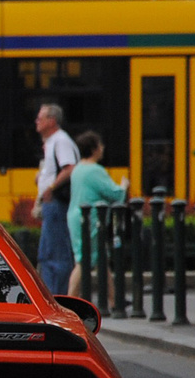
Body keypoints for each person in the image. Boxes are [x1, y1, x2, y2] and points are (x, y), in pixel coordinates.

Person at [65, 131, 128, 297]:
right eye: (100, 145)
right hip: (90, 220)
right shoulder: (94, 170)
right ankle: (70, 302)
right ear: (93, 149)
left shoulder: (78, 169)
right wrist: (123, 186)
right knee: (83, 260)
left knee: (101, 260)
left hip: (76, 217)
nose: (103, 148)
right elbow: (114, 194)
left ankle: (114, 300)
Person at [33, 104, 80, 297]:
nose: (37, 121)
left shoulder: (61, 141)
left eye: (40, 118)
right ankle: (51, 296)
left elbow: (69, 168)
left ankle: (56, 298)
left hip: (57, 205)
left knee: (55, 254)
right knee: (47, 254)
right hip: (51, 205)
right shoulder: (54, 141)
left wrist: (50, 188)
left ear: (52, 121)